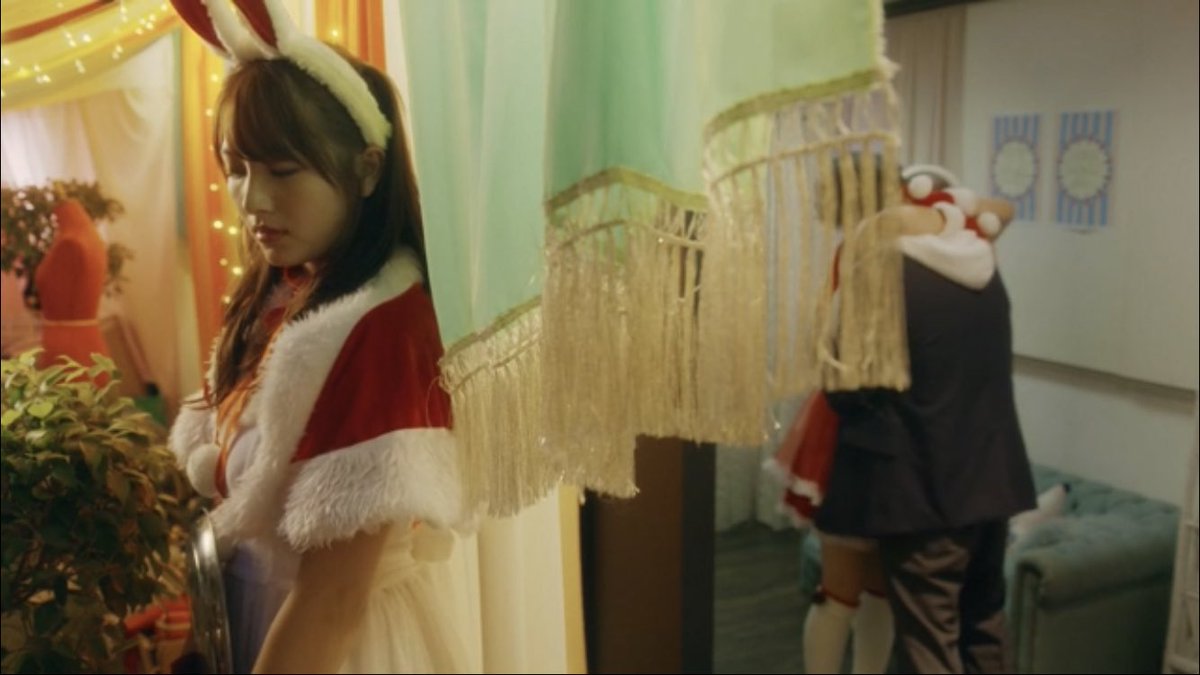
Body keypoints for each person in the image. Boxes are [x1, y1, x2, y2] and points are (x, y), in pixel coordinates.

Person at [167, 1, 469, 672]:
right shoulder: (281, 293)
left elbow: (333, 600)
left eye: (282, 170)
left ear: (367, 169)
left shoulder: (383, 323)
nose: (251, 201)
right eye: (237, 167)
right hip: (260, 622)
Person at [770, 164, 1017, 674]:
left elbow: (838, 368)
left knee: (862, 596)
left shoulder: (878, 259)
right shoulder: (974, 260)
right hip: (971, 469)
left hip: (885, 454)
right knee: (885, 599)